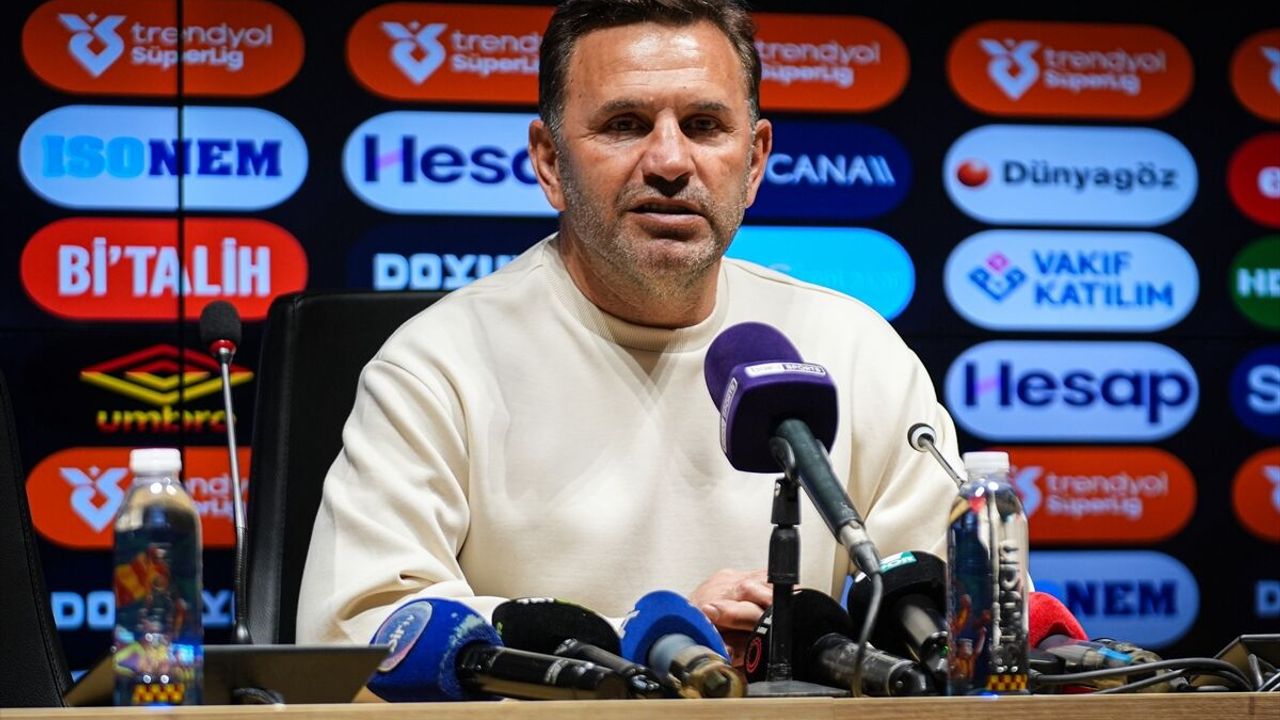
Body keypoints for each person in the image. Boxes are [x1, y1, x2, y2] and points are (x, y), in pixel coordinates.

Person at [296, 0, 961, 661]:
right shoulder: (438, 365)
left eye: (703, 126)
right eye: (625, 125)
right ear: (550, 162)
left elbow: (952, 617)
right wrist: (652, 639)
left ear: (755, 161)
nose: (670, 162)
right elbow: (358, 633)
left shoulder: (857, 351)